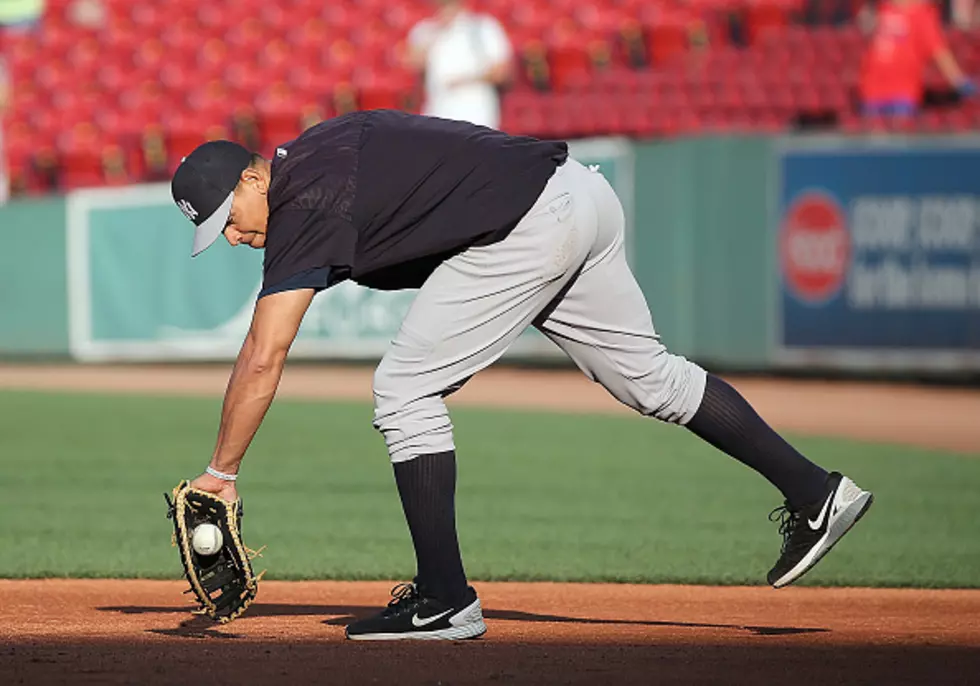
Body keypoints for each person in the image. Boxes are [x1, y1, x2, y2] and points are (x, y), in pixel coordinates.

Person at [170, 110, 874, 641]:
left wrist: (220, 473)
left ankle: (444, 597)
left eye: (230, 218)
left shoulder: (306, 200)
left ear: (254, 177)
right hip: (577, 196)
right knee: (652, 380)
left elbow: (264, 353)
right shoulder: (317, 153)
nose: (232, 236)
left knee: (404, 388)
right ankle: (817, 492)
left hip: (525, 224)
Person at [404, 0, 513, 129]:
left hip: (477, 114)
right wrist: (436, 33)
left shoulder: (483, 27)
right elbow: (412, 63)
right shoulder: (425, 29)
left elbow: (501, 72)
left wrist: (464, 80)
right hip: (438, 112)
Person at [859, 0, 976, 117]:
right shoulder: (882, 9)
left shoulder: (923, 15)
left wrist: (960, 82)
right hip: (871, 92)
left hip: (903, 94)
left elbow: (939, 52)